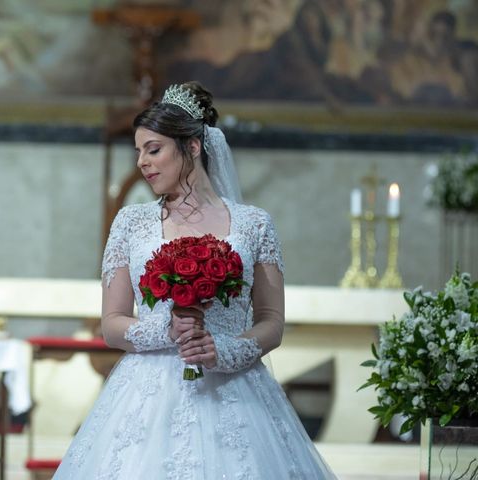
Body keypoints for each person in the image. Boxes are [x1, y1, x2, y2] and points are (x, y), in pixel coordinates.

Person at [52, 81, 336, 479]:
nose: (142, 163)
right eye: (138, 152)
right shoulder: (131, 223)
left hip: (234, 392)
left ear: (193, 147)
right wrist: (168, 329)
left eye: (154, 149)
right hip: (147, 396)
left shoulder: (253, 224)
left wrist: (223, 350)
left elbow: (271, 322)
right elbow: (112, 325)